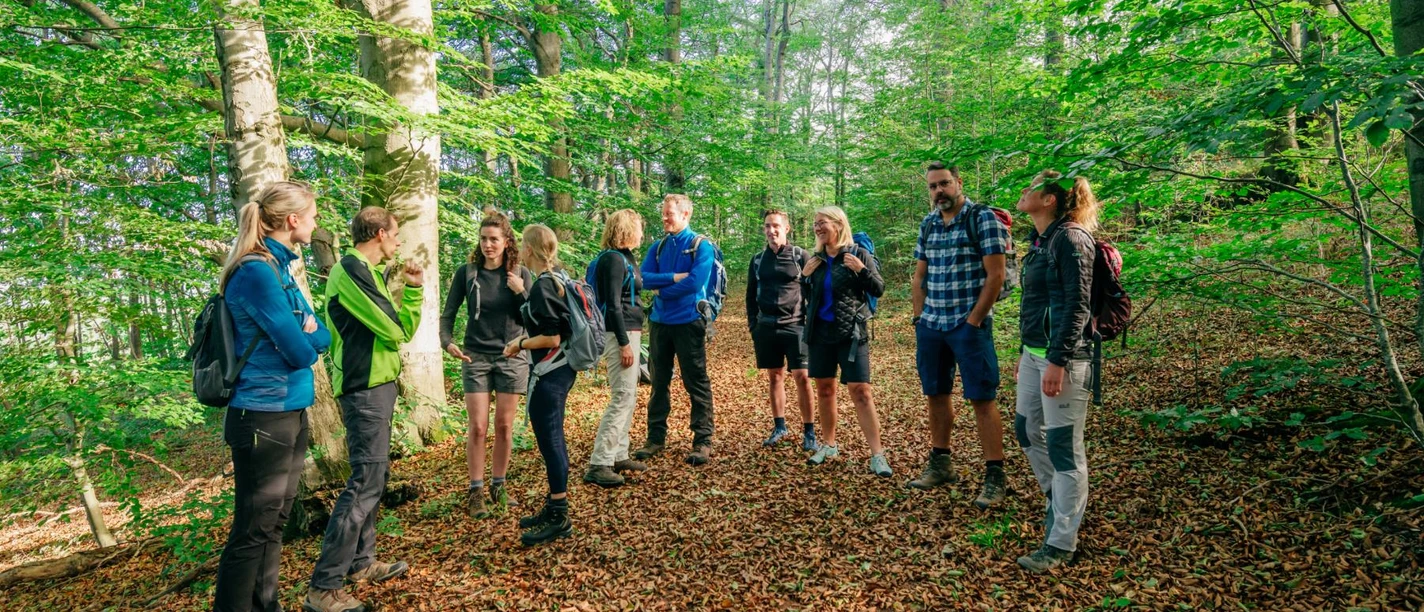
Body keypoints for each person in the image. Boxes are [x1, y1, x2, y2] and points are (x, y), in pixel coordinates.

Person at [213, 181, 330, 612]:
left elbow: (323, 334)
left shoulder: (280, 268)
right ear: (293, 220)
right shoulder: (256, 273)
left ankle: (268, 606)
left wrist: (313, 335)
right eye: (313, 216)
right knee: (254, 527)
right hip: (262, 415)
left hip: (290, 410)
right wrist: (311, 336)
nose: (316, 224)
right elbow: (302, 351)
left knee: (276, 521)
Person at [305, 207, 423, 612]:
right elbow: (394, 330)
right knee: (365, 482)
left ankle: (362, 562)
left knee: (376, 475)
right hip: (363, 388)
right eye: (394, 233)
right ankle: (323, 587)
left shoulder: (368, 273)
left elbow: (399, 329)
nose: (398, 241)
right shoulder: (351, 269)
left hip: (379, 385)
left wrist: (413, 290)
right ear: (377, 233)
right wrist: (401, 311)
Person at [908, 162, 1011, 510]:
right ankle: (941, 463)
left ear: (958, 183)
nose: (939, 192)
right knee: (936, 394)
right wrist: (920, 318)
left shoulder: (982, 219)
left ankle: (995, 475)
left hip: (970, 326)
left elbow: (995, 275)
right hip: (932, 325)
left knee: (982, 398)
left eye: (944, 184)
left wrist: (973, 321)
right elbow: (919, 276)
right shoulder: (929, 224)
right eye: (933, 187)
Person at [1013, 170, 1100, 572]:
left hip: (1065, 359)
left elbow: (1077, 305)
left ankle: (1062, 542)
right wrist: (1027, 352)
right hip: (1034, 355)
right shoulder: (1042, 239)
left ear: (1049, 200)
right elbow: (1038, 304)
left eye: (1031, 187)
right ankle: (1059, 499)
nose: (1022, 192)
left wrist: (1058, 359)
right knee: (1026, 429)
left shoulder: (1070, 238)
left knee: (1065, 448)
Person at [440, 209, 533, 518]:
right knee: (478, 427)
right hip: (474, 356)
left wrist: (521, 292)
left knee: (504, 426)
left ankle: (499, 485)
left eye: (494, 239)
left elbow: (534, 317)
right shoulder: (466, 273)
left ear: (507, 242)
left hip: (511, 356)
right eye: (483, 239)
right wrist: (447, 342)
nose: (487, 245)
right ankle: (476, 490)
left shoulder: (521, 274)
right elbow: (448, 314)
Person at [800, 206, 892, 477]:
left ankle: (877, 454)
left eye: (822, 223)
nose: (817, 228)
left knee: (861, 391)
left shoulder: (858, 253)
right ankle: (829, 445)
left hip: (851, 334)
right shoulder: (816, 259)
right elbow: (809, 297)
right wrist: (804, 277)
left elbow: (878, 288)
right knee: (825, 390)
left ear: (838, 224)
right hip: (820, 334)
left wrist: (862, 270)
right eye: (815, 224)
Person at [505, 224, 578, 546]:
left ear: (530, 250)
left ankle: (560, 515)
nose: (520, 249)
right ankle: (553, 505)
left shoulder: (544, 286)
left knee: (551, 442)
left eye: (523, 244)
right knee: (553, 440)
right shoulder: (556, 278)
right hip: (558, 371)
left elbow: (552, 336)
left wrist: (520, 343)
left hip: (551, 373)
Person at [632, 194, 717, 466]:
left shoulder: (701, 247)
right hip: (660, 322)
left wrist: (662, 291)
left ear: (685, 214)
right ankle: (655, 438)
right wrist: (671, 278)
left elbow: (694, 284)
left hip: (689, 321)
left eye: (669, 213)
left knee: (696, 382)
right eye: (664, 213)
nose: (664, 218)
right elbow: (642, 279)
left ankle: (702, 441)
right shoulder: (658, 247)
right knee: (658, 382)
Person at [584, 209, 649, 487]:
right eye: (638, 227)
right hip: (617, 335)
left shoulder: (626, 258)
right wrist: (623, 343)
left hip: (631, 331)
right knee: (621, 396)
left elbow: (629, 298)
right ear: (626, 230)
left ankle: (618, 454)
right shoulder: (612, 259)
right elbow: (612, 305)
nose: (642, 233)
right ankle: (599, 462)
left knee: (629, 395)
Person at [745, 209, 815, 450]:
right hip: (766, 328)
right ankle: (780, 426)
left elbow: (812, 292)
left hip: (796, 327)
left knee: (802, 378)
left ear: (786, 228)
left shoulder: (800, 256)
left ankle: (810, 432)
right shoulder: (757, 260)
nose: (771, 230)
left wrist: (809, 324)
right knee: (774, 376)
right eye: (767, 226)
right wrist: (753, 325)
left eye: (775, 225)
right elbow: (749, 295)